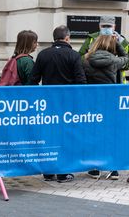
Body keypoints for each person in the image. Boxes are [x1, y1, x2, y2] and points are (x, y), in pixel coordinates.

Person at [30, 25, 87, 183]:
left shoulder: (43, 55)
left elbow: (33, 80)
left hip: (47, 104)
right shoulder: (74, 55)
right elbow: (81, 82)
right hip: (68, 106)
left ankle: (48, 172)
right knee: (65, 137)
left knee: (48, 137)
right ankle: (63, 173)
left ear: (54, 38)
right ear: (67, 38)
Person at [83, 35, 129, 180]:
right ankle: (113, 169)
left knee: (94, 133)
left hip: (92, 102)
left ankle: (94, 168)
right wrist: (118, 43)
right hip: (110, 102)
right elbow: (127, 58)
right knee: (110, 134)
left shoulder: (85, 60)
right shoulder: (114, 61)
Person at [79, 15, 129, 84]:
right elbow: (79, 57)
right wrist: (89, 56)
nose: (106, 29)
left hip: (117, 79)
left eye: (109, 26)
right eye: (103, 26)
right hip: (94, 79)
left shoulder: (121, 41)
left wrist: (117, 64)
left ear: (114, 26)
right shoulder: (91, 39)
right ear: (99, 26)